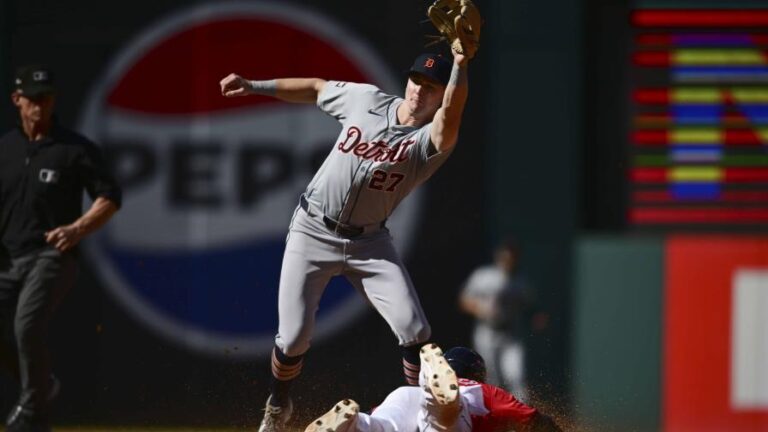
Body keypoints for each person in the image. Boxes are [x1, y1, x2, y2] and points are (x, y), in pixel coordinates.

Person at [220, 46, 471, 432]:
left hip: (369, 243)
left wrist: (460, 65)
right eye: (416, 80)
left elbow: (451, 114)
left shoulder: (428, 141)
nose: (420, 90)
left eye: (431, 87)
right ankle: (278, 405)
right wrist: (255, 85)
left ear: (441, 95)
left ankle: (416, 418)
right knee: (293, 338)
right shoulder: (366, 100)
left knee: (415, 329)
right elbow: (315, 88)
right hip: (312, 229)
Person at [0, 65, 122, 432]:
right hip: (7, 257)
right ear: (17, 99)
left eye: (48, 97)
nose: (41, 105)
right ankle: (41, 389)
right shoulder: (5, 149)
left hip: (52, 255)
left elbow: (109, 197)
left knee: (26, 324)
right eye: (34, 98)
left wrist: (77, 228)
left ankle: (32, 406)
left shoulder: (74, 149)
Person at [304, 344, 564, 432]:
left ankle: (354, 425)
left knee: (379, 426)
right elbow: (534, 420)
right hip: (453, 409)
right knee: (442, 421)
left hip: (404, 395)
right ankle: (438, 397)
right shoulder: (482, 390)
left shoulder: (407, 393)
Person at [459, 242, 547, 400]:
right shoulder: (483, 276)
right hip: (487, 332)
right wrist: (481, 310)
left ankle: (521, 413)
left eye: (511, 258)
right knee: (492, 379)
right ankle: (494, 413)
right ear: (498, 257)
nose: (507, 261)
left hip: (510, 334)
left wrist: (536, 317)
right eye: (505, 258)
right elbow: (464, 301)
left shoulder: (520, 282)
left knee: (516, 377)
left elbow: (530, 307)